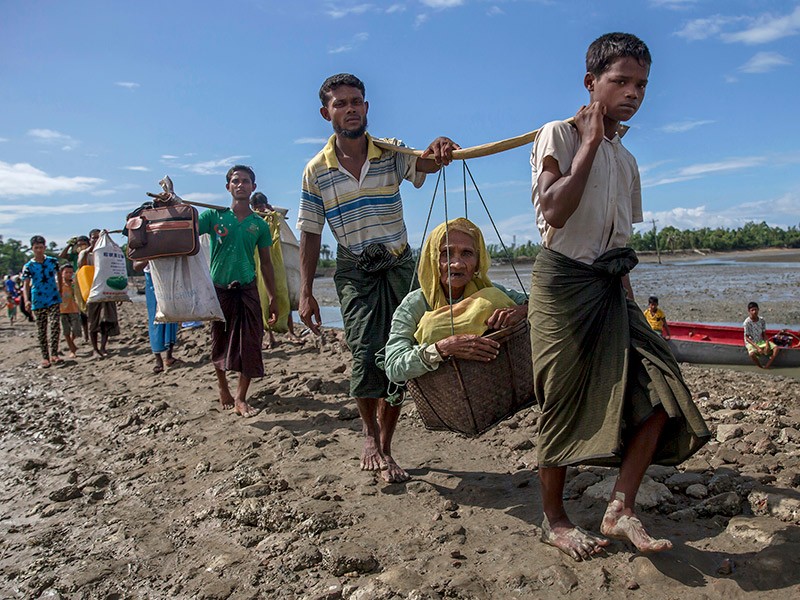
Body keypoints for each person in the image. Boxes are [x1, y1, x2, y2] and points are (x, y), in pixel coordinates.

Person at [528, 33, 710, 560]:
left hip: (612, 289)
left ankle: (620, 507)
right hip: (563, 284)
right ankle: (555, 519)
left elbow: (619, 244)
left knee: (662, 390)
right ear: (591, 83)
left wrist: (632, 310)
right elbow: (556, 211)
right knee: (561, 400)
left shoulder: (627, 160)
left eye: (642, 85)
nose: (633, 93)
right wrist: (587, 142)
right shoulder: (557, 135)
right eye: (621, 81)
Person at [297, 73, 459, 482]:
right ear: (326, 113)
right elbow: (310, 232)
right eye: (341, 103)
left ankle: (386, 445)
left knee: (400, 353)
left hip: (401, 264)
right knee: (366, 350)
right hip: (355, 270)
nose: (350, 108)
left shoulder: (389, 152)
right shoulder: (317, 170)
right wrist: (305, 291)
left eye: (356, 101)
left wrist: (439, 146)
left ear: (367, 108)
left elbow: (425, 162)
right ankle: (368, 432)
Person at [382, 218, 527, 387]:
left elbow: (543, 304)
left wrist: (523, 309)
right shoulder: (415, 304)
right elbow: (393, 366)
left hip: (495, 385)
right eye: (446, 254)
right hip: (447, 396)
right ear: (433, 259)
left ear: (478, 261)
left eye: (467, 253)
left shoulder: (490, 292)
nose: (457, 264)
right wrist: (442, 349)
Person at [198, 165, 278, 417]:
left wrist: (274, 297)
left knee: (251, 344)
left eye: (246, 181)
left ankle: (241, 397)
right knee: (219, 342)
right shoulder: (213, 216)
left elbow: (266, 263)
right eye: (235, 181)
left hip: (247, 289)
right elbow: (186, 232)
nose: (240, 184)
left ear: (253, 187)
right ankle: (223, 388)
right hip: (219, 291)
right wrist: (171, 204)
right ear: (228, 187)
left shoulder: (259, 225)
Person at [132, 259, 181, 373]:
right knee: (155, 318)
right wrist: (149, 257)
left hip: (168, 276)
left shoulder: (168, 240)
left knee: (171, 316)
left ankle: (169, 356)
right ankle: (158, 359)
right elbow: (136, 266)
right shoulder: (141, 243)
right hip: (152, 278)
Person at [21, 235, 62, 368]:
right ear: (32, 249)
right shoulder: (29, 266)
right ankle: (45, 357)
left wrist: (60, 289)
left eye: (41, 247)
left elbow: (59, 274)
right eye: (36, 248)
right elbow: (26, 285)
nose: (39, 250)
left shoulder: (52, 261)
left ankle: (54, 353)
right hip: (38, 299)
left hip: (53, 297)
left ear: (45, 247)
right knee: (42, 328)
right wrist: (26, 300)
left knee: (55, 324)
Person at [78, 229, 120, 358]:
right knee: (93, 321)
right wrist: (90, 249)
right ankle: (95, 348)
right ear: (90, 239)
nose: (96, 240)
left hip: (107, 290)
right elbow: (81, 264)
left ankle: (103, 347)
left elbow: (116, 269)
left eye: (98, 238)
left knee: (106, 320)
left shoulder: (108, 252)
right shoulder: (86, 254)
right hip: (92, 292)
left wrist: (118, 292)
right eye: (93, 238)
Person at [744, 301, 779, 369]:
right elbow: (747, 338)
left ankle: (767, 365)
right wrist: (757, 348)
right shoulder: (747, 322)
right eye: (752, 310)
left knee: (776, 348)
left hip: (761, 340)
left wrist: (767, 344)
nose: (754, 312)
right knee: (752, 354)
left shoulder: (761, 320)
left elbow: (764, 334)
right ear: (749, 311)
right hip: (752, 342)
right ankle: (760, 367)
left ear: (758, 309)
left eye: (755, 309)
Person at [58, 264, 81, 358]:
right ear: (62, 273)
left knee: (76, 330)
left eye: (70, 272)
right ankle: (72, 349)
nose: (68, 274)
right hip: (62, 310)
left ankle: (71, 343)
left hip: (74, 309)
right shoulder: (59, 285)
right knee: (66, 331)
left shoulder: (75, 284)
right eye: (66, 272)